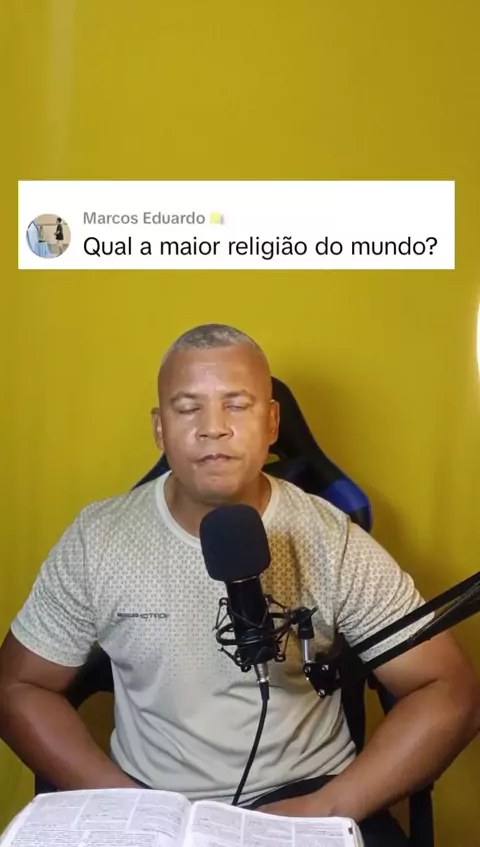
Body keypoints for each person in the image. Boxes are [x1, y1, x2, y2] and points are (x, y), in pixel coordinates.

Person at [0, 324, 479, 847]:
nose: (213, 429)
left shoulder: (330, 538)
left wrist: (327, 807)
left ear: (271, 422)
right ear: (159, 428)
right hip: (152, 802)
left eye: (236, 405)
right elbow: (18, 686)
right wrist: (122, 803)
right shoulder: (99, 539)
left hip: (309, 795)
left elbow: (447, 688)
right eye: (188, 408)